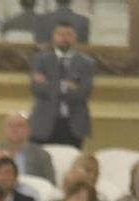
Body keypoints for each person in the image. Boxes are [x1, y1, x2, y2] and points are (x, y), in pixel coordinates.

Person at [28, 17, 95, 147]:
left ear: (75, 37)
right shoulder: (40, 60)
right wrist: (66, 86)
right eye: (60, 34)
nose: (64, 38)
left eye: (69, 34)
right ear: (53, 36)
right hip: (43, 123)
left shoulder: (86, 63)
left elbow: (82, 93)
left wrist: (49, 84)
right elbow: (37, 89)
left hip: (73, 125)